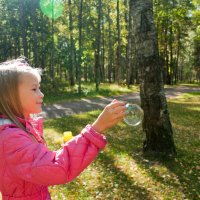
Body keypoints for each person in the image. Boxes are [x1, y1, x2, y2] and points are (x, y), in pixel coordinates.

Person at [0, 57, 126, 200]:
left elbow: (38, 163)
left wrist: (69, 147)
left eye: (39, 88)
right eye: (34, 89)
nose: (41, 94)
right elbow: (55, 168)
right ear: (10, 97)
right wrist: (96, 129)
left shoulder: (19, 129)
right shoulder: (10, 138)